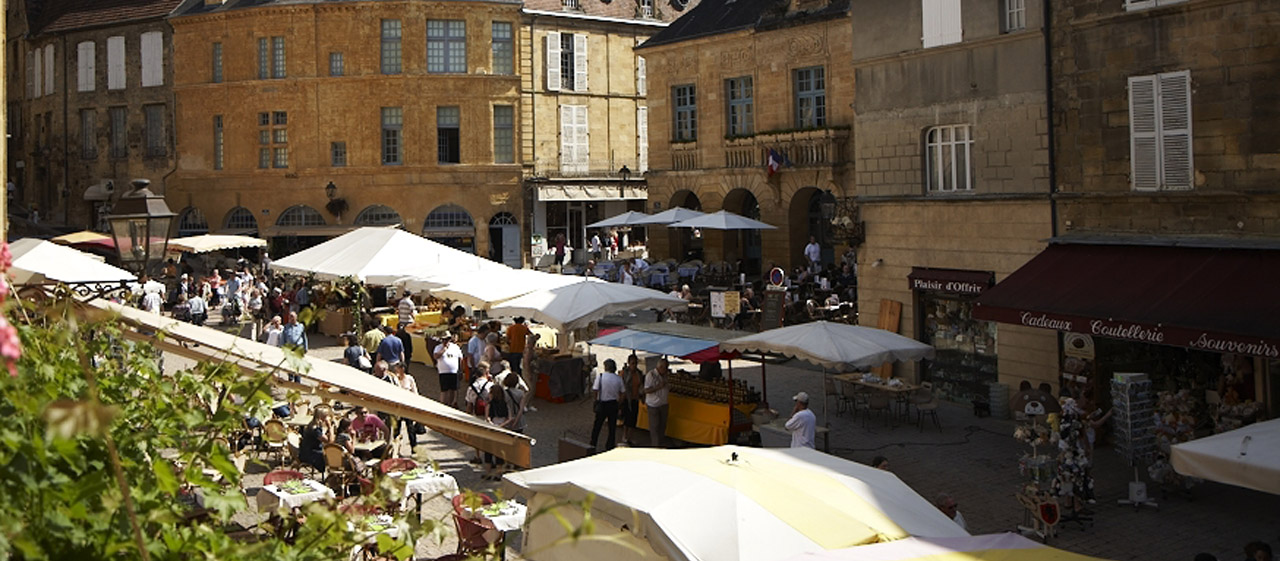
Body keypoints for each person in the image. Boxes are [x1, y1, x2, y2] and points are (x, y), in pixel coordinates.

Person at [590, 359, 624, 451]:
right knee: (612, 427)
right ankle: (610, 446)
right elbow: (622, 393)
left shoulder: (600, 377)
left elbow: (595, 390)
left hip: (602, 403)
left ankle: (593, 444)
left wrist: (596, 400)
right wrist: (619, 403)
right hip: (613, 404)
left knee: (597, 426)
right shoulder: (618, 379)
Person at [644, 358, 671, 448]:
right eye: (666, 368)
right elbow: (646, 390)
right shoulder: (650, 375)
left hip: (663, 404)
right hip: (653, 405)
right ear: (660, 367)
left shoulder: (665, 375)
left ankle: (661, 443)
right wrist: (658, 387)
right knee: (654, 427)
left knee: (662, 426)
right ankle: (655, 446)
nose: (667, 370)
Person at [298, 407, 333, 474]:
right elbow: (330, 442)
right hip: (311, 454)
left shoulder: (312, 424)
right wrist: (330, 427)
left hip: (305, 451)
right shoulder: (315, 429)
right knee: (331, 455)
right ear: (321, 417)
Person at [434, 332, 463, 407]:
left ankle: (451, 404)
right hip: (443, 372)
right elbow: (436, 356)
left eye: (447, 339)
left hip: (454, 372)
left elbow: (460, 359)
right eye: (444, 339)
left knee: (453, 389)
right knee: (444, 390)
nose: (445, 341)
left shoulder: (455, 347)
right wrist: (443, 349)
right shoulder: (438, 347)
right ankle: (443, 405)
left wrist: (461, 370)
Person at [620, 353, 643, 445]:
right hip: (626, 399)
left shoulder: (639, 373)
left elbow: (640, 385)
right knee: (627, 419)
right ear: (629, 363)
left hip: (635, 399)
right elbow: (621, 385)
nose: (634, 365)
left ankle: (630, 437)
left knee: (633, 419)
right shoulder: (624, 373)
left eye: (636, 363)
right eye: (633, 363)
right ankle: (624, 436)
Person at [280, 312, 307, 382]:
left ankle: (298, 380)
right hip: (289, 348)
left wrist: (305, 347)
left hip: (298, 348)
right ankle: (290, 378)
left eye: (292, 317)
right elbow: (283, 338)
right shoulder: (286, 327)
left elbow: (304, 337)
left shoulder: (301, 326)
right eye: (290, 317)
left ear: (296, 317)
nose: (291, 318)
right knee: (290, 364)